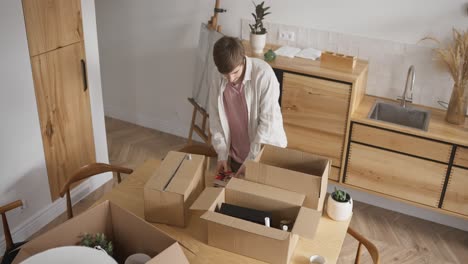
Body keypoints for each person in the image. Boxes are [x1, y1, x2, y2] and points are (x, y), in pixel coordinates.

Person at [209, 36, 287, 177]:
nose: (230, 79)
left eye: (235, 72)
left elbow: (267, 126)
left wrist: (250, 162)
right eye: (225, 75)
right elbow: (215, 118)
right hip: (236, 158)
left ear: (243, 59)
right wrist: (222, 154)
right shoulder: (217, 75)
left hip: (265, 157)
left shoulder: (264, 75)